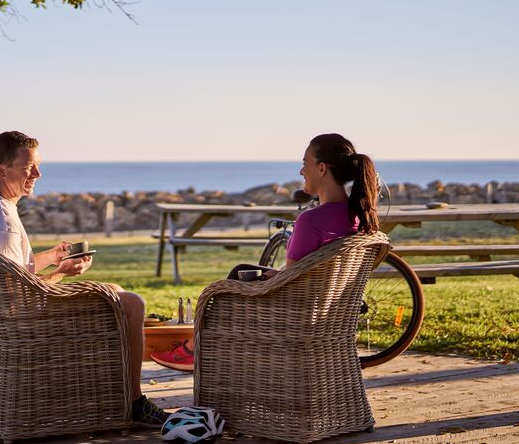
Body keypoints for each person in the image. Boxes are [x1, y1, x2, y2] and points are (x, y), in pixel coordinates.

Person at [0, 131, 169, 426]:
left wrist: (53, 257)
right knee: (132, 304)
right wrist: (62, 273)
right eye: (29, 167)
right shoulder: (4, 220)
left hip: (0, 319)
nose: (38, 173)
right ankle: (135, 402)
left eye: (38, 165)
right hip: (22, 323)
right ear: (1, 169)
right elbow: (17, 293)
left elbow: (12, 269)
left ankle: (116, 393)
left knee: (113, 290)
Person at [150, 133, 380, 372]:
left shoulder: (311, 220)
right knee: (244, 272)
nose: (302, 172)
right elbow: (308, 270)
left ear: (321, 169)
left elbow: (291, 280)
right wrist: (277, 273)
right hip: (332, 312)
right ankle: (194, 348)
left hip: (296, 314)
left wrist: (276, 276)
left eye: (305, 164)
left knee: (234, 280)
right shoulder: (359, 217)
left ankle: (194, 351)